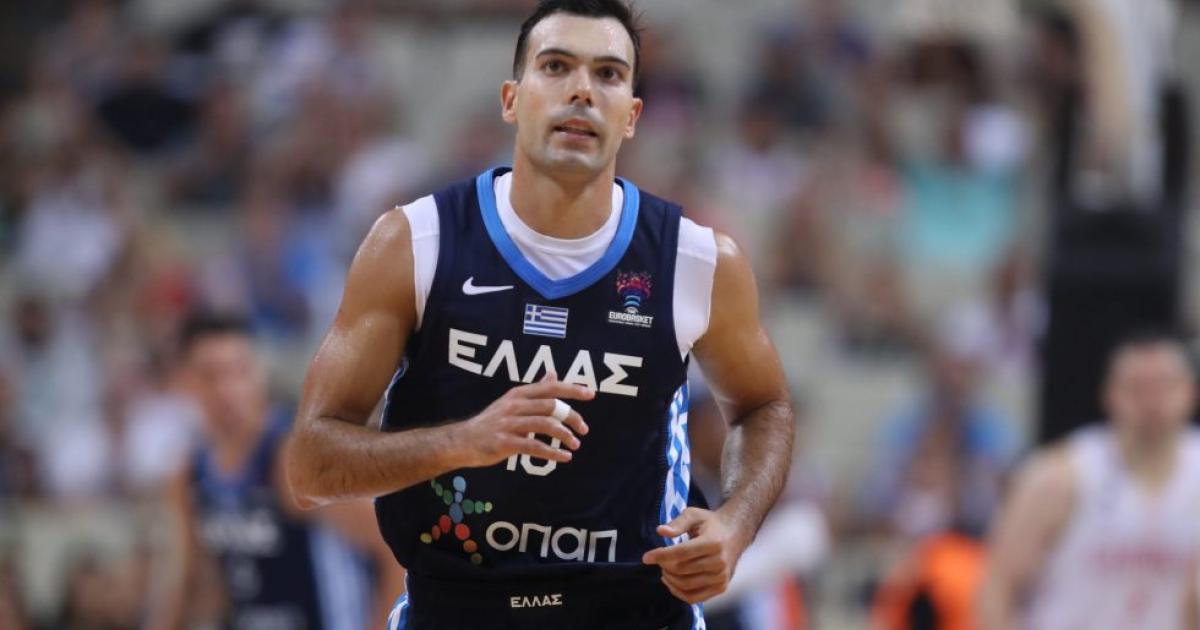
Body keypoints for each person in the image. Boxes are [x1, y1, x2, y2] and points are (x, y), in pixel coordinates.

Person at [283, 1, 796, 628]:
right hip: (458, 610)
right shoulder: (415, 242)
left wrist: (735, 523)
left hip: (637, 611)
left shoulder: (696, 260)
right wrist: (461, 442)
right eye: (556, 67)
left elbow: (764, 406)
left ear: (632, 116)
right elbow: (310, 465)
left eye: (608, 74)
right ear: (511, 99)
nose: (582, 90)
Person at [150, 314, 403, 630]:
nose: (227, 389)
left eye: (240, 371)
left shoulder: (292, 458)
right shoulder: (190, 473)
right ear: (184, 383)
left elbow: (394, 550)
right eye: (210, 375)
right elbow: (186, 583)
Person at [980, 331, 1200, 630]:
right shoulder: (1060, 475)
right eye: (1137, 388)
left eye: (1164, 386)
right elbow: (997, 587)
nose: (1151, 402)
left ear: (1190, 391)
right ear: (1109, 394)